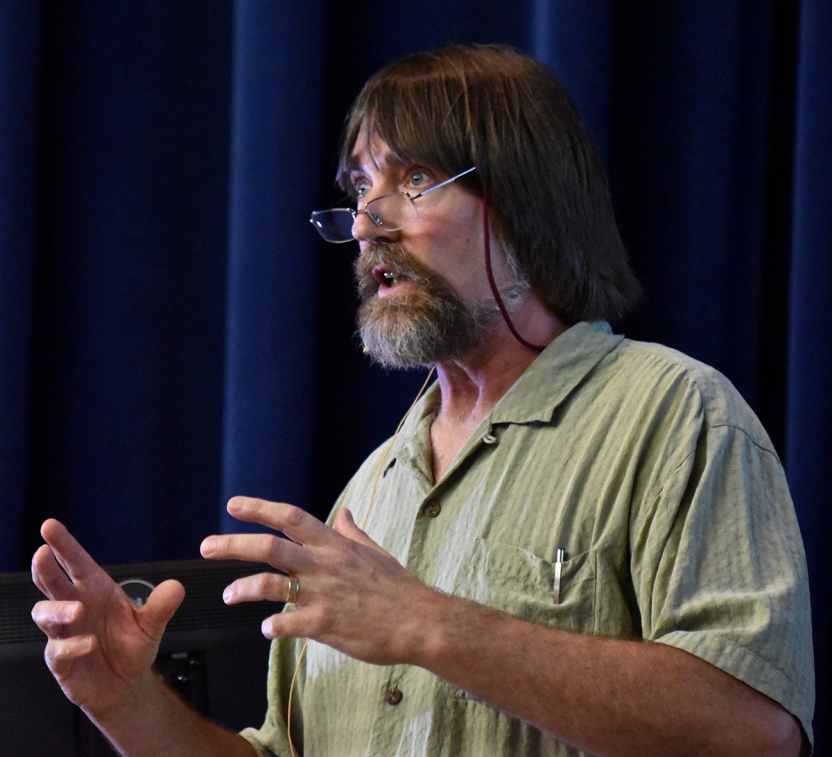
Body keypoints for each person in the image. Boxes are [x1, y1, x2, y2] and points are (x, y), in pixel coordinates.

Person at [31, 44, 813, 757]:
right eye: (360, 189)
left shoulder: (674, 416)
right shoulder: (368, 496)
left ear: (523, 198)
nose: (367, 225)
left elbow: (753, 731)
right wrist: (129, 703)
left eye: (410, 180)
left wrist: (427, 624)